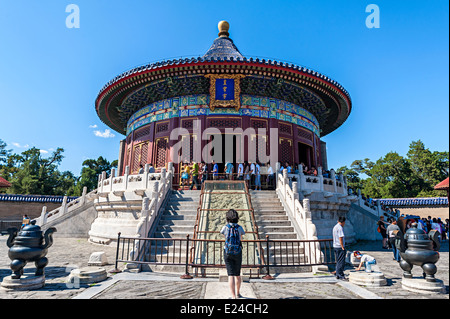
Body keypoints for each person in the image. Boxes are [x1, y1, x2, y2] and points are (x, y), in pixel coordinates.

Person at [220, 209, 245, 299]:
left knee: (230, 275)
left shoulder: (225, 227)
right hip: (238, 252)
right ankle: (238, 293)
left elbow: (224, 237)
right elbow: (241, 238)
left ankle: (233, 296)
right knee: (237, 274)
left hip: (227, 252)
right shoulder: (239, 228)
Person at [332, 216, 347, 280]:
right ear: (343, 222)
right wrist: (342, 246)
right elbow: (340, 237)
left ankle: (338, 272)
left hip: (335, 245)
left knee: (338, 260)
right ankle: (340, 274)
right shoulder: (340, 228)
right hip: (339, 246)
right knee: (341, 261)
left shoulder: (335, 227)